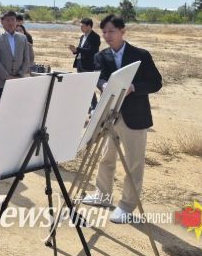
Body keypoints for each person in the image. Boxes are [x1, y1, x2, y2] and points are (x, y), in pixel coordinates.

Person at [82, 14, 162, 224]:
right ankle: (102, 195)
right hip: (109, 116)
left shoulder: (141, 55)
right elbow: (98, 77)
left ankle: (126, 205)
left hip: (135, 117)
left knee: (134, 163)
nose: (107, 36)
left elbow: (156, 83)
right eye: (104, 32)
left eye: (112, 31)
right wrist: (103, 84)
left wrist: (134, 88)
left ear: (123, 31)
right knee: (105, 158)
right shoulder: (101, 56)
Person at [0, 11, 34, 131]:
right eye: (7, 20)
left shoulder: (22, 38)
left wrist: (19, 75)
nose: (11, 22)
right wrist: (7, 77)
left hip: (17, 82)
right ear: (2, 22)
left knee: (14, 111)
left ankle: (9, 135)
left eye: (13, 20)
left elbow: (27, 59)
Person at [69, 17, 101, 113]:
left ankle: (94, 106)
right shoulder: (82, 37)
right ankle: (87, 105)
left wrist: (78, 49)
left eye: (82, 26)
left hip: (88, 65)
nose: (81, 28)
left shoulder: (95, 37)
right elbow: (80, 50)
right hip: (80, 63)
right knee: (82, 86)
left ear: (89, 26)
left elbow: (92, 51)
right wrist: (74, 50)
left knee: (88, 86)